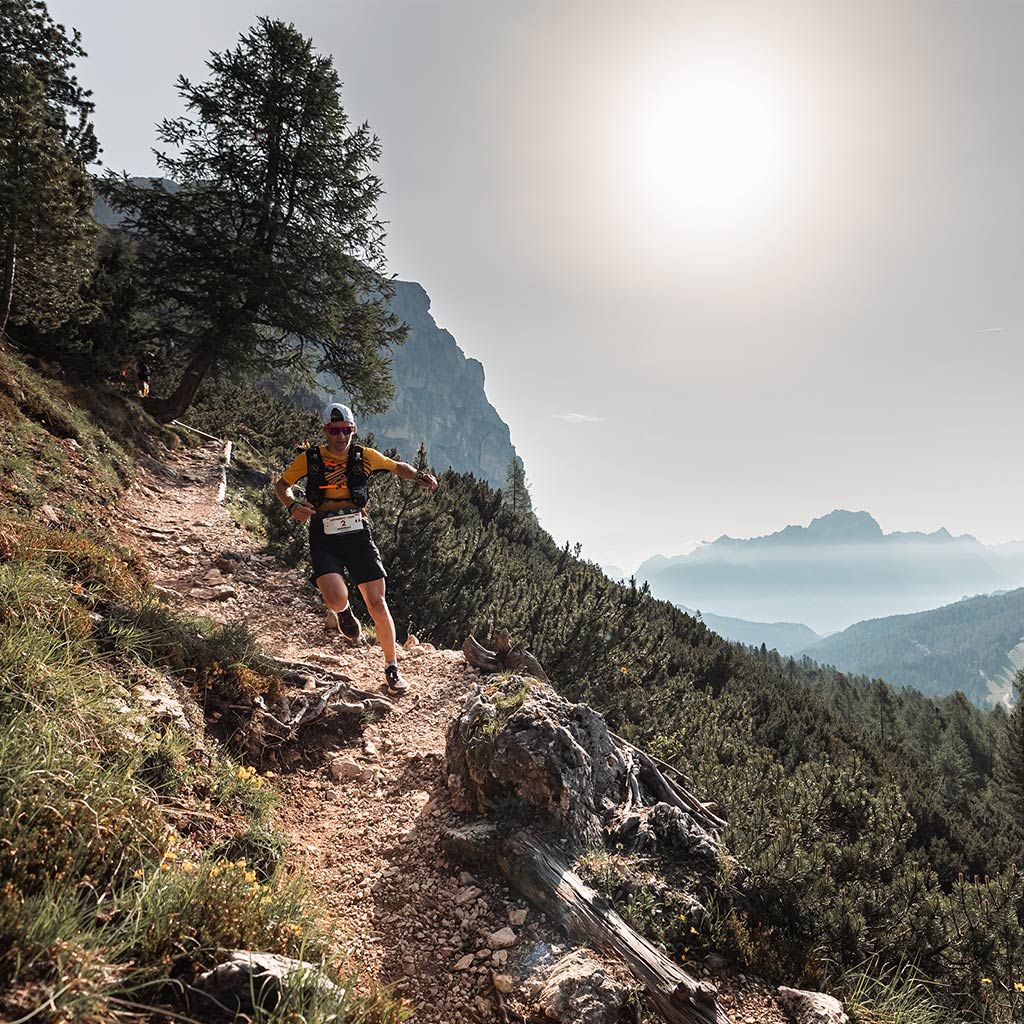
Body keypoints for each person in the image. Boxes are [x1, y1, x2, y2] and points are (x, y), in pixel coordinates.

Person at [274, 403, 438, 694]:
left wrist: (419, 476)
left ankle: (392, 667)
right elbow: (282, 485)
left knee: (377, 603)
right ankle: (344, 612)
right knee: (335, 597)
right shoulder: (310, 459)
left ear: (353, 430)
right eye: (334, 430)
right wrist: (292, 505)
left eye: (346, 430)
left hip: (358, 533)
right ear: (326, 430)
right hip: (323, 534)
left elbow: (396, 466)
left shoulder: (365, 456)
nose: (341, 436)